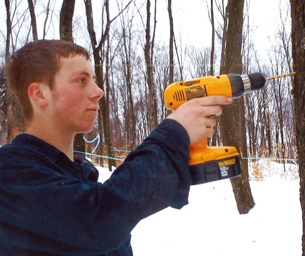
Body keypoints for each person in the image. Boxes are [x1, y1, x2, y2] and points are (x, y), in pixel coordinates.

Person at [0, 40, 232, 256]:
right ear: (40, 94)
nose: (98, 91)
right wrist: (174, 133)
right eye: (81, 80)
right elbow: (97, 223)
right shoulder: (8, 172)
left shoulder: (78, 175)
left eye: (93, 80)